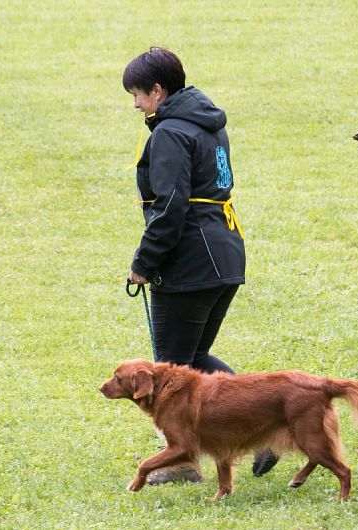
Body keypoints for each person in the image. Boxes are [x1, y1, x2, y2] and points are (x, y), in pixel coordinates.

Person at [123, 48, 278, 480]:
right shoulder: (207, 124)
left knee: (171, 363)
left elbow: (170, 206)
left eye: (138, 94)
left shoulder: (171, 132)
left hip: (191, 259)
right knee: (193, 358)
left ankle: (182, 463)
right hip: (223, 252)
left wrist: (144, 262)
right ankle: (266, 429)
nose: (135, 104)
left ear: (158, 90)